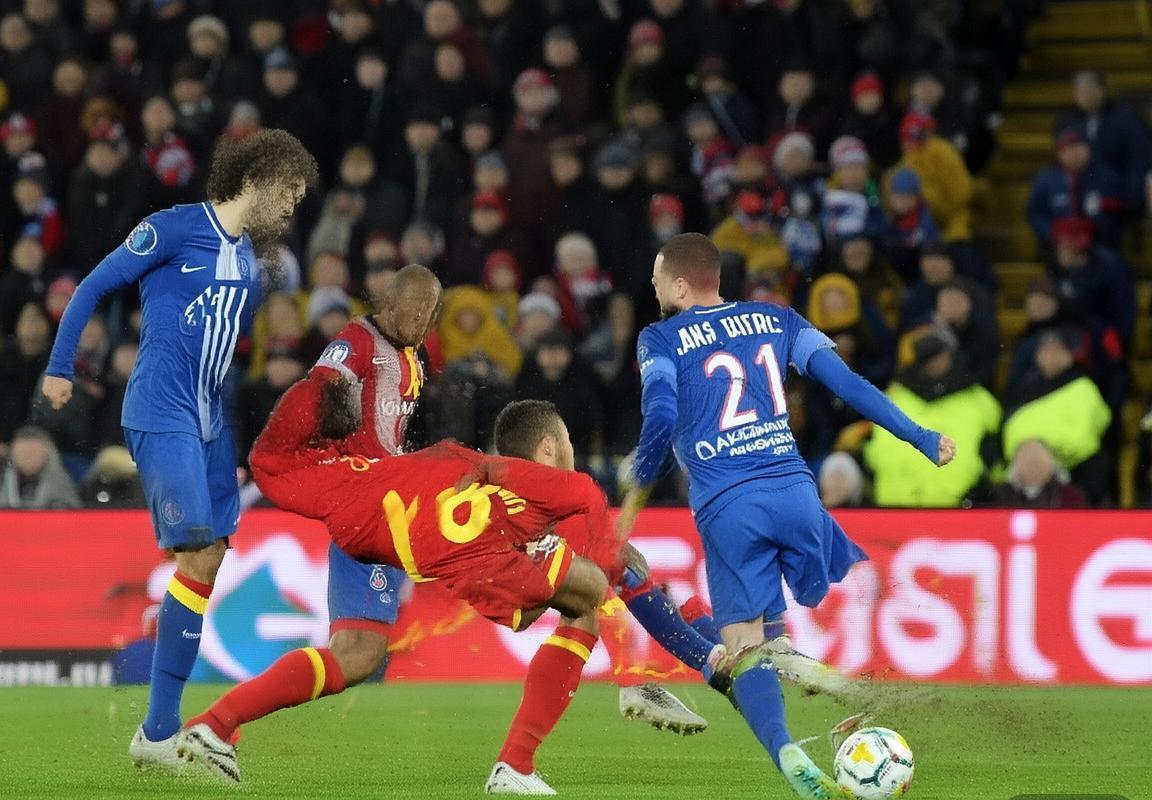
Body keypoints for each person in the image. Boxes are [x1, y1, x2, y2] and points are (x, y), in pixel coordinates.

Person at [616, 234, 955, 799]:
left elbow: (662, 416)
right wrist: (919, 436)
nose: (652, 289)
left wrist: (634, 495)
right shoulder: (776, 318)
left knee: (743, 653)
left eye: (656, 280)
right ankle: (787, 654)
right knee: (770, 628)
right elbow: (847, 384)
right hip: (798, 494)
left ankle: (784, 748)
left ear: (678, 284)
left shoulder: (659, 338)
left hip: (729, 505)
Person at [176, 361, 623, 783]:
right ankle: (516, 764)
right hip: (391, 514)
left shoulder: (398, 363)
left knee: (356, 656)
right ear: (548, 446)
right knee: (577, 602)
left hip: (373, 508)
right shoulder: (369, 348)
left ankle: (214, 723)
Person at [41, 129, 318, 768]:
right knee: (195, 555)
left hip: (211, 424)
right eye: (288, 193)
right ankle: (160, 733)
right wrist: (59, 367)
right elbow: (92, 286)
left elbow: (218, 351)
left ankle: (157, 730)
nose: (291, 208)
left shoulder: (252, 262)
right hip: (162, 414)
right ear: (256, 179)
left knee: (211, 558)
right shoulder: (171, 228)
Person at [486, 400, 728, 795]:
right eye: (567, 438)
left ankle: (514, 764)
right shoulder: (556, 492)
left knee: (584, 606)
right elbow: (619, 569)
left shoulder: (513, 486)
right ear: (548, 445)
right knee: (611, 577)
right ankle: (694, 663)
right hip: (486, 566)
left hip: (467, 562)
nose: (572, 447)